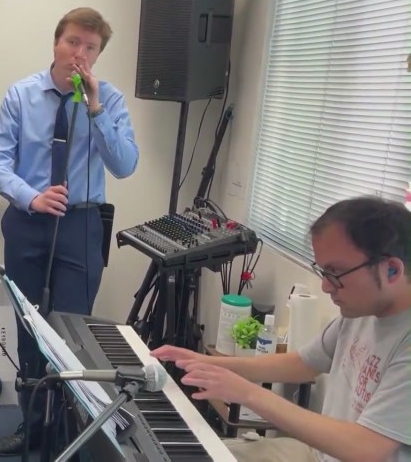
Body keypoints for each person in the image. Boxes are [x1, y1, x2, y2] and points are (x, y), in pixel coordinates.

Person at [0, 7, 139, 456]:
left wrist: (94, 108)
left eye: (91, 48)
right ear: (56, 42)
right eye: (73, 42)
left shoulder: (108, 100)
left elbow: (125, 166)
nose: (80, 54)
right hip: (29, 222)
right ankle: (31, 427)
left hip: (80, 224)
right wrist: (31, 197)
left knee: (72, 333)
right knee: (31, 330)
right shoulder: (21, 95)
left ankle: (70, 432)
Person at [152, 196, 411, 462]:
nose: (325, 287)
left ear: (392, 270)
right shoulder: (361, 311)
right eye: (323, 271)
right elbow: (304, 363)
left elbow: (368, 448)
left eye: (335, 272)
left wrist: (247, 392)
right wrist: (208, 363)